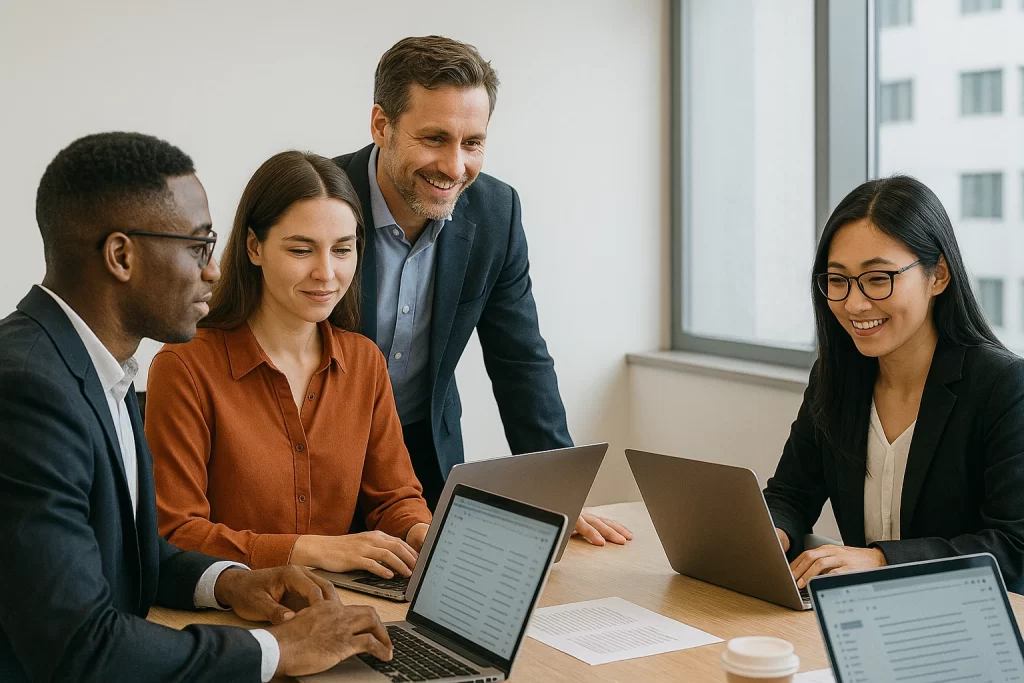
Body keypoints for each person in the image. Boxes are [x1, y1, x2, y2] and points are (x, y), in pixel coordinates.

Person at [0, 132, 394, 683]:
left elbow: (125, 562)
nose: (213, 270)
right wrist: (275, 651)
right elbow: (78, 644)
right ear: (121, 256)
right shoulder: (27, 388)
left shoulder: (94, 371)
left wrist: (232, 581)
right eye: (197, 247)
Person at [333, 35, 631, 545]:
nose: (454, 167)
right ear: (381, 125)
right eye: (434, 138)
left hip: (424, 457)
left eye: (472, 143)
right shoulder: (319, 198)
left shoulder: (496, 213)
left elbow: (521, 360)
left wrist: (558, 488)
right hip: (317, 460)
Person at [145, 151, 432, 580]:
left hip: (340, 608)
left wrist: (421, 532)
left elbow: (394, 498)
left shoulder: (364, 362)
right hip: (225, 621)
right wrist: (306, 550)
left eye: (342, 250)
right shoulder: (185, 367)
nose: (326, 273)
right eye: (301, 250)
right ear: (254, 247)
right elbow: (176, 532)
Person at [763, 175, 1024, 592]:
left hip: (968, 626)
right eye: (837, 280)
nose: (854, 303)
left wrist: (882, 560)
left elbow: (1014, 549)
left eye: (878, 278)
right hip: (867, 618)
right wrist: (768, 538)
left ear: (938, 275)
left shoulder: (1004, 386)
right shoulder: (836, 379)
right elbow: (791, 494)